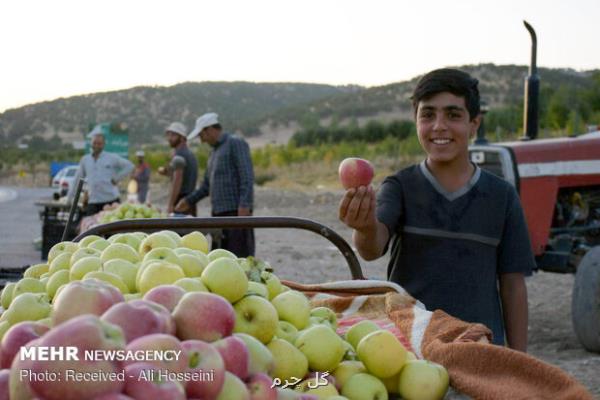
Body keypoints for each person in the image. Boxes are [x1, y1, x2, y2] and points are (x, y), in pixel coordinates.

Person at [338, 68, 535, 352]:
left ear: (474, 124)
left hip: (479, 347)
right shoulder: (400, 185)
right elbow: (371, 247)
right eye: (427, 114)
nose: (439, 125)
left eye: (453, 115)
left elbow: (513, 284)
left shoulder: (502, 196)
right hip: (410, 344)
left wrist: (519, 359)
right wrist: (364, 225)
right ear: (416, 121)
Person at [175, 113, 255, 257]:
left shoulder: (235, 143)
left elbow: (246, 177)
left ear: (209, 129)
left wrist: (245, 205)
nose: (202, 140)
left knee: (239, 256)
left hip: (235, 213)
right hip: (218, 215)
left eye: (201, 135)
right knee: (221, 257)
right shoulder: (213, 153)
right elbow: (206, 186)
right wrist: (188, 201)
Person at [68, 130, 134, 216]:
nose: (96, 145)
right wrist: (69, 198)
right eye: (94, 143)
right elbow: (77, 179)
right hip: (93, 202)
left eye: (99, 143)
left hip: (111, 201)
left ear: (103, 144)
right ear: (91, 143)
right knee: (90, 227)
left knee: (111, 227)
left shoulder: (111, 157)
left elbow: (130, 166)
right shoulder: (85, 160)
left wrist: (117, 178)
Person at [158, 122, 198, 216]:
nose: (170, 138)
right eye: (169, 135)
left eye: (173, 135)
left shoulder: (179, 155)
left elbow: (178, 180)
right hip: (191, 201)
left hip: (181, 202)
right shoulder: (190, 154)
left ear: (182, 137)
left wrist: (171, 204)